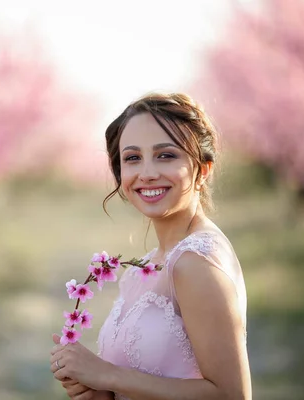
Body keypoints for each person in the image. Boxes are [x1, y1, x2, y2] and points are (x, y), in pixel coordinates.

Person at [49, 92, 251, 400]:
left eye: (166, 155)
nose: (147, 173)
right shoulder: (144, 268)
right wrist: (100, 391)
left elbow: (231, 395)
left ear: (203, 170)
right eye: (132, 158)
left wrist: (108, 375)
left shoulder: (195, 262)